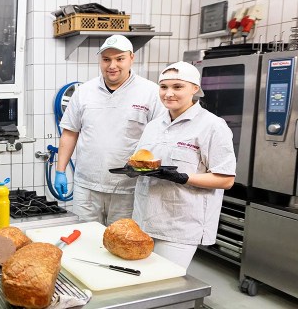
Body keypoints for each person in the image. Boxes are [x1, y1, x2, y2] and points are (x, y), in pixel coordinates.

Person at [130, 61, 236, 269]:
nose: (168, 93)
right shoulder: (153, 126)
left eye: (177, 87)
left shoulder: (212, 126)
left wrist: (184, 177)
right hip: (143, 220)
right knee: (142, 284)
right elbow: (145, 162)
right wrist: (134, 169)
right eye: (164, 87)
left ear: (195, 89)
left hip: (180, 226)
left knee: (164, 285)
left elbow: (226, 179)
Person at [55, 34, 166, 225]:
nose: (112, 65)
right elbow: (70, 133)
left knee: (120, 244)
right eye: (106, 59)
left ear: (131, 58)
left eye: (119, 59)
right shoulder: (84, 92)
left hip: (128, 188)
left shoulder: (151, 92)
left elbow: (162, 138)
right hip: (86, 187)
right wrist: (60, 170)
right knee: (84, 241)